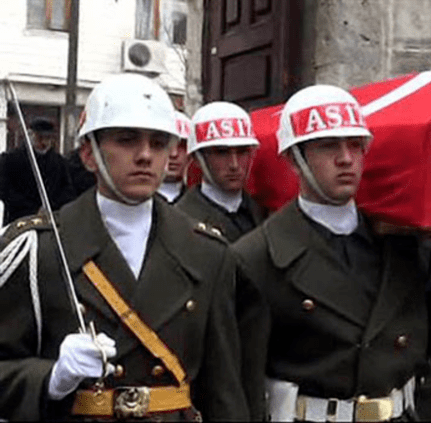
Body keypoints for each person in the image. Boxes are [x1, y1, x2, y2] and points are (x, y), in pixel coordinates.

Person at [231, 84, 431, 422]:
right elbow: (241, 380)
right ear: (294, 160)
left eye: (355, 145)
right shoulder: (257, 256)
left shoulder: (399, 242)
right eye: (328, 146)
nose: (346, 158)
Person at [0, 73, 252, 421]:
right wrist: (51, 378)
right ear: (89, 155)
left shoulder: (208, 252)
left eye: (159, 142)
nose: (145, 155)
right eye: (127, 140)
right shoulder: (39, 249)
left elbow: (223, 390)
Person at [175, 102, 265, 242]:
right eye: (222, 153)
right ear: (198, 159)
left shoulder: (261, 210)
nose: (234, 164)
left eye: (242, 152)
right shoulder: (179, 221)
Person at [0, 116, 76, 223]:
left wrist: (50, 207)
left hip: (50, 220)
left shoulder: (60, 163)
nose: (44, 143)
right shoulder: (10, 160)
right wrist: (33, 209)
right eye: (40, 138)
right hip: (18, 219)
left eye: (48, 138)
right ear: (30, 135)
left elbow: (68, 191)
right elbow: (5, 190)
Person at [157, 110, 191, 204]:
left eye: (182, 146)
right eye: (167, 144)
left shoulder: (199, 205)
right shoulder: (135, 201)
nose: (174, 154)